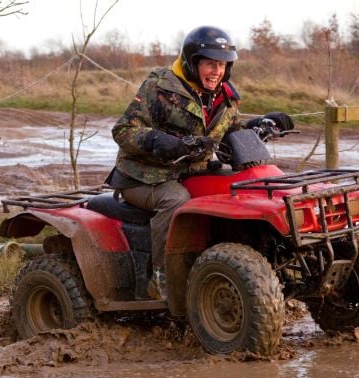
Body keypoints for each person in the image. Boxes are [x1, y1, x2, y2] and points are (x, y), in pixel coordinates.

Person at [106, 26, 294, 300]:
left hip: (193, 172)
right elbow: (122, 131)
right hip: (144, 177)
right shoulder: (160, 87)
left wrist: (261, 125)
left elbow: (227, 134)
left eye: (221, 65)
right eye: (209, 64)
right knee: (176, 201)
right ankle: (161, 278)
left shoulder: (226, 96)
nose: (216, 71)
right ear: (192, 63)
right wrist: (158, 140)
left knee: (239, 192)